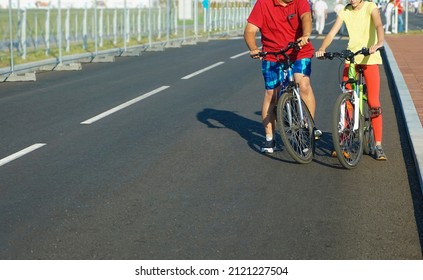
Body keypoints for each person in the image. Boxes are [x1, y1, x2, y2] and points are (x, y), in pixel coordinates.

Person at [244, 0, 320, 154]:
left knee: (303, 84)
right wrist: (253, 48)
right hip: (273, 54)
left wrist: (305, 35)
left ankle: (307, 128)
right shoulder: (263, 4)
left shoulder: (300, 1)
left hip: (299, 51)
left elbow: (306, 17)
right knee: (272, 94)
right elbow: (250, 30)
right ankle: (270, 138)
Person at [315, 0, 387, 160]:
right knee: (346, 100)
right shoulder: (345, 11)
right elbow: (332, 32)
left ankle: (378, 145)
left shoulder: (370, 7)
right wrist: (322, 49)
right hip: (351, 58)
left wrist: (379, 42)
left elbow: (378, 26)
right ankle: (343, 142)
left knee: (374, 102)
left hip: (369, 58)